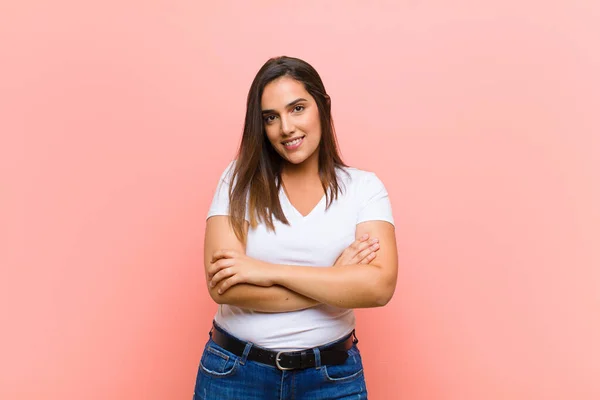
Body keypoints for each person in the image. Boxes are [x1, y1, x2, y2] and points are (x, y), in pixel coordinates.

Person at [193, 56, 398, 400]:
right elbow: (224, 288)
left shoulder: (364, 189)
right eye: (270, 117)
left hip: (332, 379)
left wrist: (264, 271)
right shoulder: (238, 181)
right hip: (235, 375)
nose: (285, 127)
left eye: (297, 108)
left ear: (323, 107)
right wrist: (334, 280)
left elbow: (378, 287)